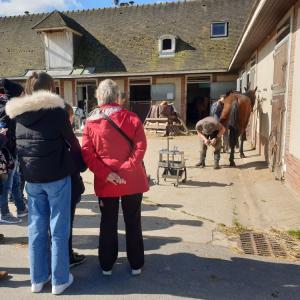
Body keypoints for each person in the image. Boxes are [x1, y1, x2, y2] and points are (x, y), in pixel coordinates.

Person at [5, 72, 82, 295]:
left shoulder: (18, 113)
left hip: (32, 177)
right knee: (58, 228)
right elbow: (72, 140)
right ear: (50, 87)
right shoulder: (56, 112)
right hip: (57, 175)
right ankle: (59, 280)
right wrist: (80, 164)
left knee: (36, 229)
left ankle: (37, 279)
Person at [82, 79, 149, 276]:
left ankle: (107, 264)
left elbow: (88, 154)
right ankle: (136, 264)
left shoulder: (91, 122)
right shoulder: (132, 118)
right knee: (133, 221)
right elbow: (140, 147)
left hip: (106, 179)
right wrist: (127, 168)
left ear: (98, 97)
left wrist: (108, 174)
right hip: (132, 179)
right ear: (118, 96)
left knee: (108, 222)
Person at [0, 80, 27, 224]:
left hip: (13, 152)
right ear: (16, 95)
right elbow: (4, 130)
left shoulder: (10, 106)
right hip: (7, 154)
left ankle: (21, 208)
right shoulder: (7, 110)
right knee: (6, 185)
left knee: (15, 182)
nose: (25, 95)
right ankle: (4, 213)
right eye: (22, 93)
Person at [64, 103, 87, 268]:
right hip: (69, 185)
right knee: (66, 224)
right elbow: (82, 165)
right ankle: (67, 256)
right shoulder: (69, 137)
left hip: (43, 184)